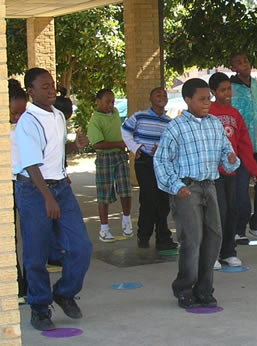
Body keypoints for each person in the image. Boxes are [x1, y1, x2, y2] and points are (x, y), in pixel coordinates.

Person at [13, 67, 92, 331]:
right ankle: (39, 308)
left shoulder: (58, 115)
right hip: (34, 191)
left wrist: (76, 146)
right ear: (30, 91)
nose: (50, 91)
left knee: (81, 247)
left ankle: (65, 292)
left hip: (60, 187)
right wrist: (48, 198)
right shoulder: (28, 121)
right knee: (36, 254)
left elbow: (54, 154)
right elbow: (33, 164)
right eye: (44, 87)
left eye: (52, 86)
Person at [154, 78, 240, 309]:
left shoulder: (214, 123)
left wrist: (231, 160)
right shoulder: (176, 127)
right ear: (188, 100)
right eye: (201, 99)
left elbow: (226, 152)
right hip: (187, 188)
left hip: (210, 186)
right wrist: (175, 186)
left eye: (208, 98)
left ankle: (204, 289)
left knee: (214, 237)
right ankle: (184, 288)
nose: (207, 103)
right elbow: (162, 161)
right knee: (192, 240)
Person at [209, 72, 257, 268]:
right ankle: (212, 253)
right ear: (213, 92)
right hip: (214, 172)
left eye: (228, 89)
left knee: (233, 210)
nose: (227, 93)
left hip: (233, 171)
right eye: (222, 90)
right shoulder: (209, 112)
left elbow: (243, 143)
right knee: (218, 212)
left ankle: (228, 252)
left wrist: (252, 167)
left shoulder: (235, 114)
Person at [121, 87, 177, 250]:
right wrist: (135, 148)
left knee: (163, 200)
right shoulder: (140, 116)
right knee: (149, 198)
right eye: (158, 94)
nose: (162, 97)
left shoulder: (169, 122)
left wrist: (163, 150)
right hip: (145, 162)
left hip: (163, 163)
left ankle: (162, 237)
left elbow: (172, 143)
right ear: (150, 99)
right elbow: (125, 131)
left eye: (164, 95)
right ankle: (144, 235)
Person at [230, 53, 257, 243]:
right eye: (239, 63)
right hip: (239, 150)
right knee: (240, 191)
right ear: (233, 68)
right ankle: (239, 229)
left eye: (246, 61)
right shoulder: (230, 88)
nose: (244, 65)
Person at [87, 89, 133, 242]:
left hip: (119, 155)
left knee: (125, 189)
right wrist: (119, 144)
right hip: (105, 157)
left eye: (113, 101)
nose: (111, 105)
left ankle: (126, 220)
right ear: (98, 101)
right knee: (104, 193)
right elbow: (97, 144)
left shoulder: (114, 114)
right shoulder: (95, 120)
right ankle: (104, 229)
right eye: (107, 101)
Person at [9, 79, 28, 304]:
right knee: (10, 238)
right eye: (14, 113)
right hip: (8, 187)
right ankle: (17, 285)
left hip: (26, 185)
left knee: (31, 238)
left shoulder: (28, 127)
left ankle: (30, 287)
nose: (17, 118)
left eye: (22, 113)